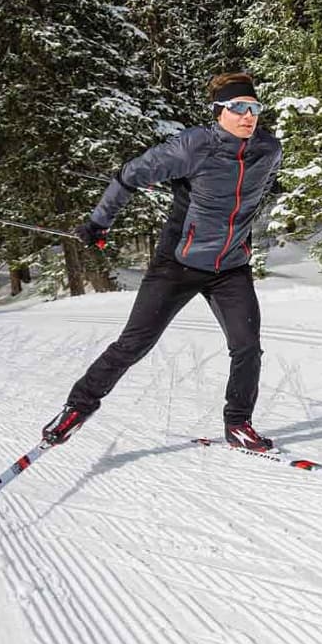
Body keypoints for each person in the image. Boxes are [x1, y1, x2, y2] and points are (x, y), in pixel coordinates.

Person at [41, 72, 284, 451]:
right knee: (134, 344)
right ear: (219, 111)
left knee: (247, 345)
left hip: (231, 266)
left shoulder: (268, 150)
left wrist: (243, 236)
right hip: (179, 264)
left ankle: (238, 423)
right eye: (238, 108)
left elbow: (255, 198)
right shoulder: (193, 146)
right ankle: (76, 408)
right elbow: (129, 175)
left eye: (254, 108)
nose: (248, 116)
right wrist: (97, 223)